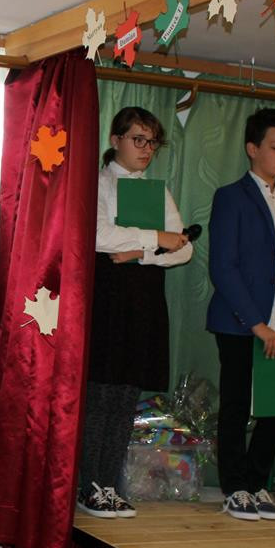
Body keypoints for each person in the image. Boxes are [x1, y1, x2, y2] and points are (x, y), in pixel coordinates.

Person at [77, 107, 191, 518]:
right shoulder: (99, 182)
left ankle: (108, 484)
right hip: (107, 299)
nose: (146, 149)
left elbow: (183, 249)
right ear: (116, 140)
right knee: (100, 395)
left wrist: (138, 253)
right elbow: (97, 235)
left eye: (152, 142)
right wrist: (154, 238)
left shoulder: (156, 191)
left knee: (126, 396)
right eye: (138, 139)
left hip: (143, 299)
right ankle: (88, 486)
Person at [208, 108, 275, 521]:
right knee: (236, 406)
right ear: (252, 149)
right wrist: (257, 324)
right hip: (240, 324)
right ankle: (234, 488)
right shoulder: (230, 197)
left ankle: (256, 483)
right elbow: (223, 267)